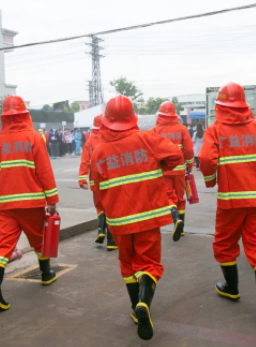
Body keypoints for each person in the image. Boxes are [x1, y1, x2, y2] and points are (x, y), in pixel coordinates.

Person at [90, 95, 182, 340]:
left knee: (127, 263)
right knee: (149, 263)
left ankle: (135, 307)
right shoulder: (147, 139)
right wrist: (156, 169)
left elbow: (97, 189)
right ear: (132, 118)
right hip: (147, 216)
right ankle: (144, 303)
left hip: (118, 221)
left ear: (107, 121)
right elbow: (176, 156)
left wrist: (103, 214)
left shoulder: (99, 151)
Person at [199, 83, 256, 320]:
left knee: (225, 244)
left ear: (220, 106)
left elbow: (205, 158)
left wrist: (210, 180)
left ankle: (232, 288)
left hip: (230, 203)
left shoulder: (215, 131)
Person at [0, 95, 59, 311]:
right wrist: (52, 200)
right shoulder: (34, 138)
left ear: (4, 117)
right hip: (31, 202)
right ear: (25, 114)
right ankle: (46, 274)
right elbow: (44, 171)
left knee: (3, 245)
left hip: (6, 205)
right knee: (39, 240)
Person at [151, 101, 194, 240]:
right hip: (180, 169)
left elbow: (151, 150)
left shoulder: (155, 130)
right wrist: (190, 164)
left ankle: (176, 220)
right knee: (180, 197)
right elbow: (188, 149)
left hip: (163, 170)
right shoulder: (182, 129)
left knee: (169, 197)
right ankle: (181, 229)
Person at [78, 114, 117, 251]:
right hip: (110, 178)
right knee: (111, 207)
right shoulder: (110, 138)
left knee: (100, 206)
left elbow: (84, 161)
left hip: (95, 179)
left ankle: (101, 229)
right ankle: (111, 241)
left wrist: (82, 178)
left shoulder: (90, 142)